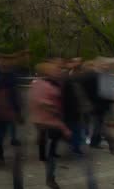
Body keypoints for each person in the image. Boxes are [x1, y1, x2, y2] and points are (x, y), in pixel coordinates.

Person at [30, 61, 71, 189]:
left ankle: (51, 173)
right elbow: (40, 102)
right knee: (51, 150)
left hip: (55, 122)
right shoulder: (41, 85)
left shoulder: (58, 82)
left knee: (52, 149)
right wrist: (51, 107)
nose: (57, 71)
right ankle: (50, 177)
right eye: (53, 69)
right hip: (49, 122)